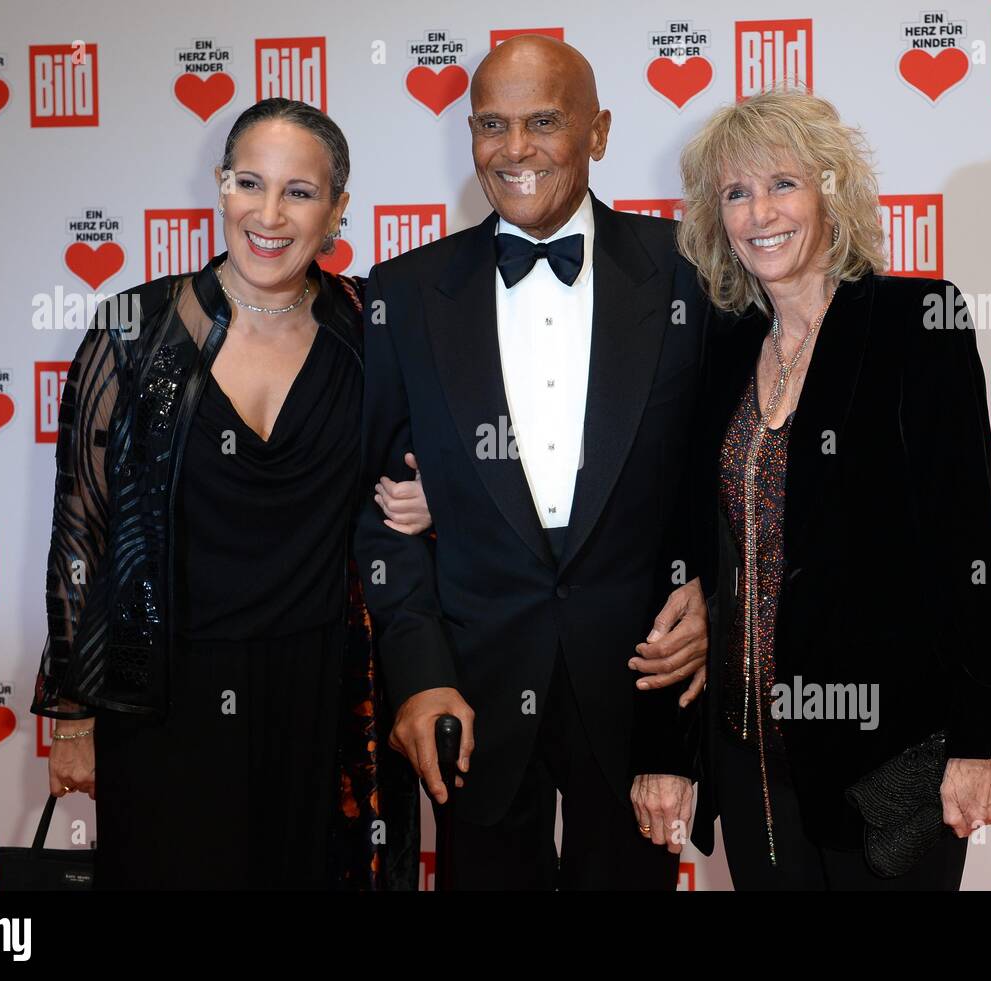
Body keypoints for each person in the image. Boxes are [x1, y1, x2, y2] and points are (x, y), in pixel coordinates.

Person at [31, 98, 432, 890]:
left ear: (339, 207)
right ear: (220, 186)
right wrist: (73, 711)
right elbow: (83, 525)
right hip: (164, 697)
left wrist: (439, 501)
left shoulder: (370, 326)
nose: (270, 215)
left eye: (300, 191)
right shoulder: (134, 329)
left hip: (325, 694)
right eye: (250, 183)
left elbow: (433, 462)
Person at [354, 35, 712, 891]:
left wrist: (720, 599)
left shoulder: (690, 272)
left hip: (641, 686)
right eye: (491, 125)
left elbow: (727, 466)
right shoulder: (403, 292)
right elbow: (380, 508)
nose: (513, 150)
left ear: (599, 132)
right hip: (470, 695)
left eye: (543, 122)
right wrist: (419, 675)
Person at [677, 87, 991, 890]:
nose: (759, 212)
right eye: (735, 193)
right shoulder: (727, 348)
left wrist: (985, 736)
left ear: (831, 190)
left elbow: (964, 545)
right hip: (750, 757)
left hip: (883, 757)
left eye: (782, 183)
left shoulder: (915, 321)